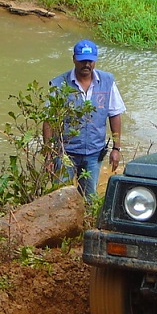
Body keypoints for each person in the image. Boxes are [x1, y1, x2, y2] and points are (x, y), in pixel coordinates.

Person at [43, 40, 126, 201]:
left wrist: (117, 149)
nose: (86, 64)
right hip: (65, 153)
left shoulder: (107, 82)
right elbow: (49, 120)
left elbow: (115, 114)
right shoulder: (60, 84)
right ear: (74, 59)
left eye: (90, 60)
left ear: (95, 60)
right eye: (82, 60)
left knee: (89, 199)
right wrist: (48, 155)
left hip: (94, 154)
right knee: (60, 197)